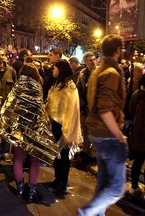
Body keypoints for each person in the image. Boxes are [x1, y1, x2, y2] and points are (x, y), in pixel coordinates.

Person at [0, 63, 57, 203]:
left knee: (18, 159)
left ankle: (20, 188)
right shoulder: (38, 87)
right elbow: (40, 109)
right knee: (35, 161)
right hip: (35, 130)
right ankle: (32, 191)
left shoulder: (16, 88)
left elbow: (9, 108)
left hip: (19, 130)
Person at [77, 34, 127, 216]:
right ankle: (86, 213)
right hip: (108, 135)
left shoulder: (98, 71)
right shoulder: (111, 73)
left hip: (97, 133)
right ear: (117, 51)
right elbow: (105, 109)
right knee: (116, 188)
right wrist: (119, 136)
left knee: (103, 182)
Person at [45, 59, 83, 195]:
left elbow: (71, 111)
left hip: (64, 127)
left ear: (60, 70)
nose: (52, 70)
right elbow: (51, 103)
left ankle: (62, 183)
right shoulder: (58, 85)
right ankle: (57, 179)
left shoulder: (69, 87)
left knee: (64, 156)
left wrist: (68, 132)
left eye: (54, 68)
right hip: (55, 125)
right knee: (57, 156)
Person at [0, 47, 17, 162]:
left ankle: (5, 152)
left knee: (6, 131)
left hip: (7, 106)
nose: (1, 57)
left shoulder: (11, 71)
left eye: (2, 55)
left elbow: (15, 88)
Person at [75, 52, 97, 163]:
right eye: (90, 60)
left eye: (94, 59)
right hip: (85, 106)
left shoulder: (98, 72)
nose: (93, 62)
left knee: (94, 131)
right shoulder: (82, 73)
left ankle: (93, 153)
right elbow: (79, 88)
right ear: (85, 62)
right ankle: (85, 150)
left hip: (95, 107)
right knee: (86, 129)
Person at [127, 74, 145, 196]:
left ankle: (134, 186)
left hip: (137, 134)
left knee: (138, 162)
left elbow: (130, 110)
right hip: (141, 134)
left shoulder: (136, 94)